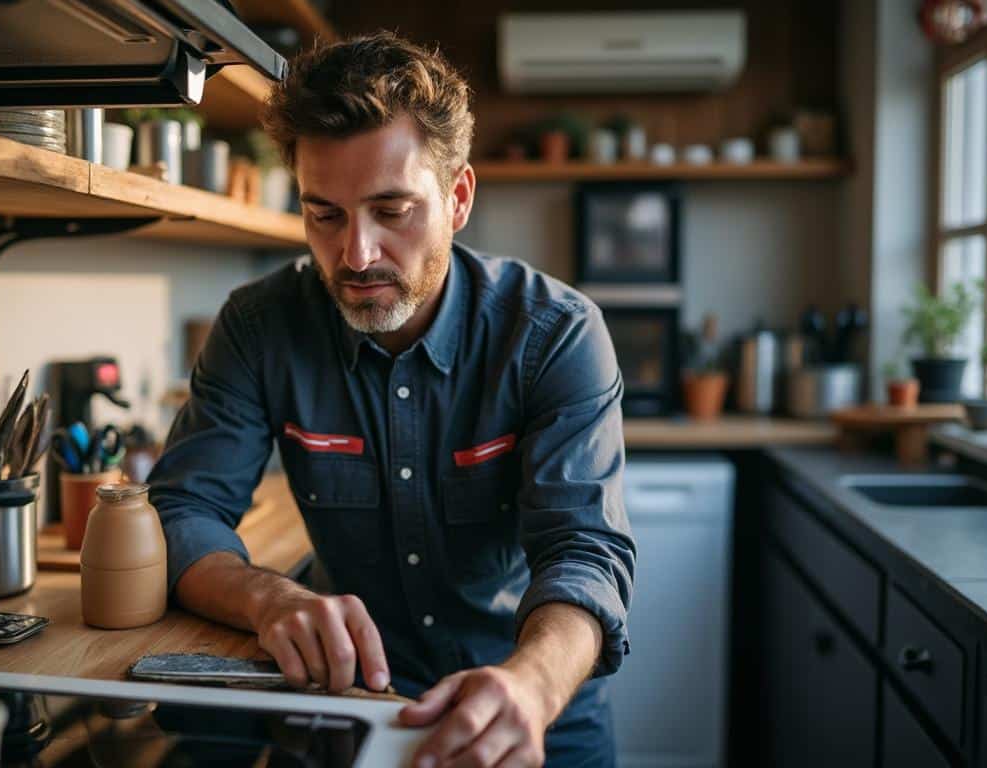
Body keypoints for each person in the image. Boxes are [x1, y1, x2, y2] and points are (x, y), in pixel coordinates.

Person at [147, 32, 635, 768]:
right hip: (344, 710)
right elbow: (183, 512)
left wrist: (530, 687)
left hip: (530, 708)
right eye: (325, 215)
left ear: (458, 197)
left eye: (392, 210)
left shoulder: (556, 335)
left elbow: (584, 551)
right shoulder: (258, 327)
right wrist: (271, 599)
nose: (356, 255)